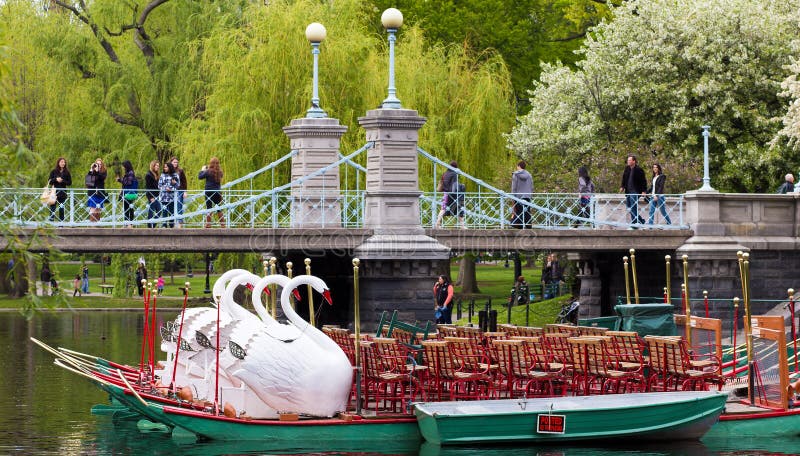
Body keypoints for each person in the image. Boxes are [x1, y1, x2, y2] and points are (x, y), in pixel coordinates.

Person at [434, 161, 465, 229]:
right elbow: (455, 185)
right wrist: (461, 187)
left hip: (445, 194)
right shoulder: (454, 174)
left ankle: (437, 223)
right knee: (459, 208)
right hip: (452, 194)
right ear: (455, 167)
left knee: (443, 208)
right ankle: (462, 226)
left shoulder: (445, 173)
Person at [619, 155, 647, 226]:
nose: (628, 162)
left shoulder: (639, 169)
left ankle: (634, 223)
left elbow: (643, 181)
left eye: (630, 160)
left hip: (636, 191)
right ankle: (641, 221)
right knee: (629, 207)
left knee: (633, 207)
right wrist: (622, 186)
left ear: (634, 161)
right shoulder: (627, 168)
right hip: (628, 191)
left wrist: (644, 191)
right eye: (628, 160)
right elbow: (624, 178)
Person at [198, 157, 225, 228]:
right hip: (217, 192)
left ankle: (208, 224)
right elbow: (221, 176)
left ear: (211, 163)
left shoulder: (208, 171)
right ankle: (222, 224)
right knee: (219, 208)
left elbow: (200, 177)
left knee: (209, 207)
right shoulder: (220, 172)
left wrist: (202, 170)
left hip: (209, 191)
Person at [47, 157, 72, 222]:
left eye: (64, 162)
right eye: (61, 162)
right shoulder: (54, 171)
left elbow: (69, 183)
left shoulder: (67, 172)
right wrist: (56, 179)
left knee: (61, 208)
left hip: (62, 193)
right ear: (58, 163)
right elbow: (49, 181)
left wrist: (62, 181)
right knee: (52, 208)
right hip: (54, 193)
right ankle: (51, 222)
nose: (63, 163)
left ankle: (61, 223)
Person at [510, 160, 533, 228]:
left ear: (519, 166)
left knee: (519, 211)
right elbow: (532, 187)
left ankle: (518, 226)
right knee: (527, 212)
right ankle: (528, 227)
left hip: (518, 196)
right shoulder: (529, 175)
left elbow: (514, 187)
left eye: (517, 166)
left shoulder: (515, 174)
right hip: (527, 196)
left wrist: (512, 197)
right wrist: (531, 195)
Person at [158, 162, 180, 228]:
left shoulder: (175, 175)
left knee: (171, 211)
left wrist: (171, 188)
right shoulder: (162, 175)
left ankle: (171, 224)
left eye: (166, 167)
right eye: (164, 167)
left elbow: (178, 186)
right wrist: (165, 188)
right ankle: (164, 224)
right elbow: (159, 185)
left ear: (170, 167)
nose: (165, 168)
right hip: (163, 196)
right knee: (164, 210)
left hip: (172, 197)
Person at [85, 157, 108, 222]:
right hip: (92, 192)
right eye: (97, 164)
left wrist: (97, 171)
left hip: (100, 192)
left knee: (98, 208)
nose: (98, 165)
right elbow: (88, 179)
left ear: (102, 165)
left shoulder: (104, 171)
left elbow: (102, 178)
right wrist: (91, 169)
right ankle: (92, 224)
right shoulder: (93, 171)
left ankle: (97, 224)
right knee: (93, 208)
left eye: (100, 164)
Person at [116, 160, 137, 226]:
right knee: (128, 208)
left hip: (128, 193)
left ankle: (128, 224)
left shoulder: (130, 173)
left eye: (123, 166)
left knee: (128, 208)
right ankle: (128, 223)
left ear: (126, 166)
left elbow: (128, 182)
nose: (122, 168)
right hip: (128, 193)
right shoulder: (130, 172)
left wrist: (120, 180)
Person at [171, 157, 188, 228]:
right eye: (174, 162)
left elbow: (184, 181)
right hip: (170, 191)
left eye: (176, 162)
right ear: (171, 162)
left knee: (179, 206)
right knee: (170, 206)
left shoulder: (180, 171)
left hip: (179, 190)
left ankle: (179, 223)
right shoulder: (168, 170)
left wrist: (185, 191)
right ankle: (171, 223)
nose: (175, 163)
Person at [145, 160, 160, 228]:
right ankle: (150, 226)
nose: (157, 167)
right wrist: (150, 197)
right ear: (153, 166)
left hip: (156, 196)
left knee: (158, 210)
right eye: (156, 165)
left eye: (158, 166)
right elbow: (148, 187)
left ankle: (152, 225)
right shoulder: (149, 175)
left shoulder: (156, 175)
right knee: (152, 210)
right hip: (152, 196)